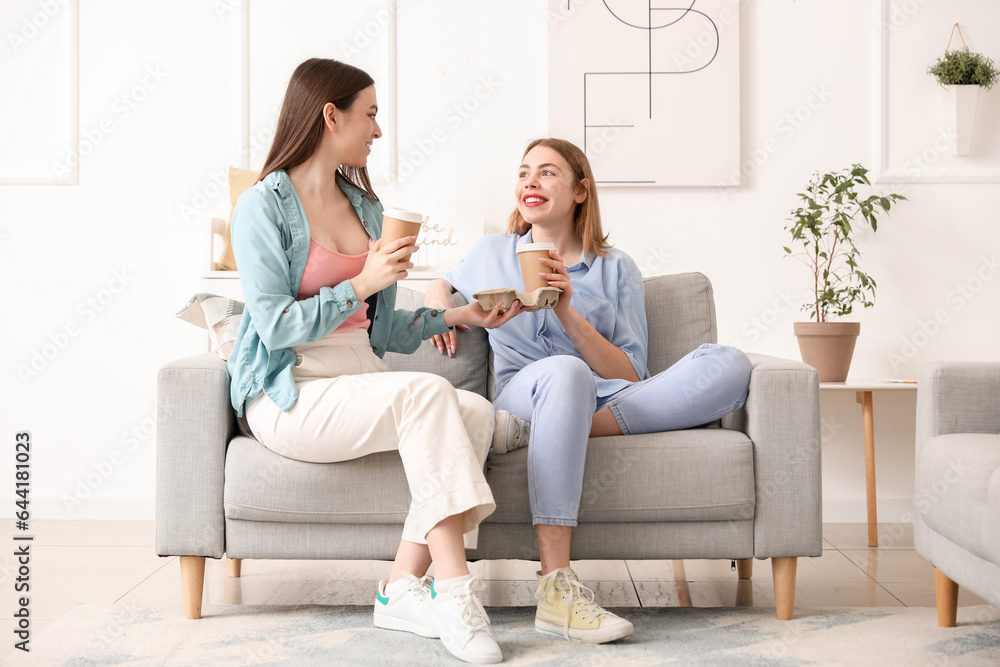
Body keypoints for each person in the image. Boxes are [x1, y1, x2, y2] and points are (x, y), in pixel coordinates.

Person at [227, 58, 523, 665]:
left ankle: (398, 589)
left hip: (360, 372)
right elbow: (275, 325)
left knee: (469, 410)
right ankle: (457, 593)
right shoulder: (261, 208)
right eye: (371, 114)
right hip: (293, 390)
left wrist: (459, 318)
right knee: (428, 397)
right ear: (330, 116)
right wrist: (360, 282)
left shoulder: (365, 208)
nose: (378, 131)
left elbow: (383, 327)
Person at [425, 138, 753, 644]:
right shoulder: (491, 252)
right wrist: (436, 306)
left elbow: (630, 375)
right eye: (524, 172)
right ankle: (557, 586)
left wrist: (566, 311)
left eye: (548, 173)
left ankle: (555, 431)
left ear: (580, 190)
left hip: (606, 397)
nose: (531, 182)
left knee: (727, 364)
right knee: (564, 374)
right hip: (523, 397)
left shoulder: (615, 268)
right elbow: (442, 284)